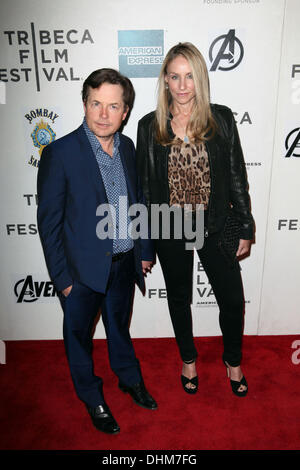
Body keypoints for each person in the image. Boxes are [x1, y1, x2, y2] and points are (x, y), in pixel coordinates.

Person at [37, 68, 157, 435]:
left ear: (125, 112)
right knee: (78, 338)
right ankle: (92, 397)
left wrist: (144, 250)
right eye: (95, 104)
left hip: (123, 264)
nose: (103, 114)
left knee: (119, 328)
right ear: (85, 104)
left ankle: (128, 378)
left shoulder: (129, 148)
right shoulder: (60, 153)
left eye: (113, 106)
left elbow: (137, 203)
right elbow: (49, 222)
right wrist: (63, 279)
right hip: (81, 273)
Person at [136, 43, 254, 397]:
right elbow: (144, 187)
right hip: (171, 225)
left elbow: (236, 175)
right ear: (165, 81)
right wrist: (144, 241)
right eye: (175, 76)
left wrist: (245, 226)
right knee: (178, 298)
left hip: (218, 222)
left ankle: (232, 360)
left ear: (200, 78)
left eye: (189, 76)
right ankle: (188, 358)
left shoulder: (221, 118)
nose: (183, 85)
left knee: (232, 300)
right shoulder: (148, 126)